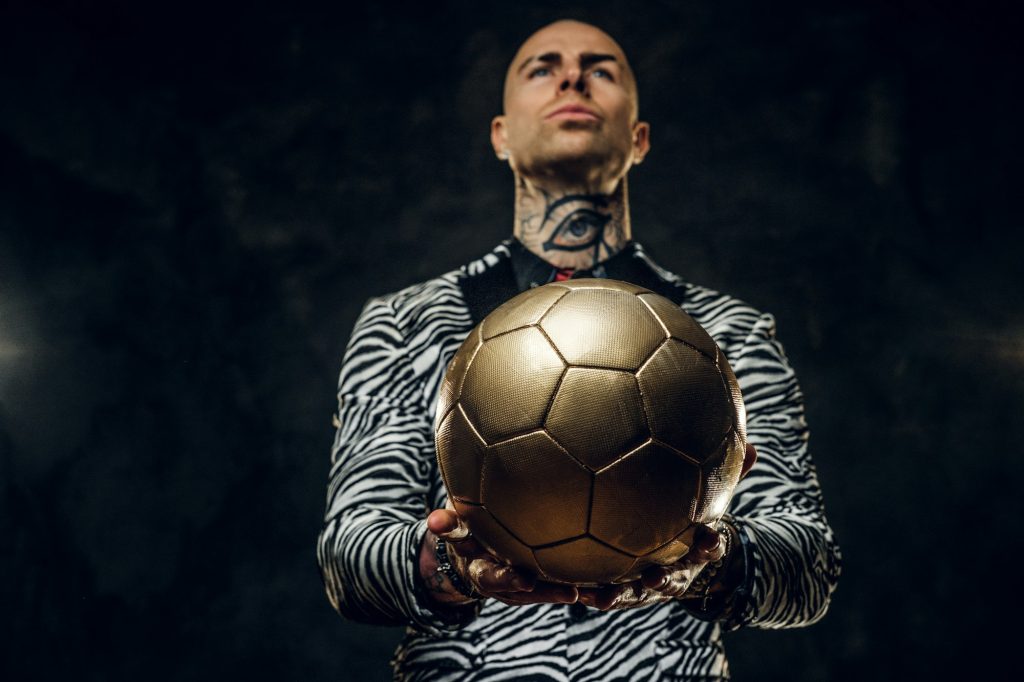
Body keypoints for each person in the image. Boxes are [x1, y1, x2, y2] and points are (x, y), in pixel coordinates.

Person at [317, 19, 841, 681]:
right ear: (501, 136)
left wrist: (711, 561)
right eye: (543, 68)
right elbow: (350, 560)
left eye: (602, 68)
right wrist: (453, 568)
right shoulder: (406, 323)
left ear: (639, 138)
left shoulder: (725, 332)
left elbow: (809, 568)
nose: (571, 77)